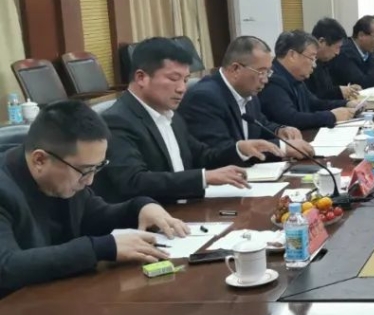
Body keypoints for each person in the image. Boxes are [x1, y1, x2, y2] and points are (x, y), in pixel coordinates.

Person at [0, 101, 189, 296]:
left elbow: (95, 216)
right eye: (85, 170)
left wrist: (140, 208)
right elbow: (6, 267)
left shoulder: (67, 174)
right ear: (40, 160)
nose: (89, 181)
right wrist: (99, 248)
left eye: (96, 168)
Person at [100, 38, 282, 204]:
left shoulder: (172, 116)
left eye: (185, 80)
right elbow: (134, 181)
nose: (182, 88)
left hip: (187, 210)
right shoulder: (116, 121)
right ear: (141, 78)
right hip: (152, 219)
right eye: (174, 79)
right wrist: (203, 178)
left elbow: (202, 156)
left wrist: (239, 149)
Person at [179, 36, 314, 158]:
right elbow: (221, 151)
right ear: (236, 69)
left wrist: (279, 130)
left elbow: (261, 124)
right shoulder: (204, 98)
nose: (265, 80)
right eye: (261, 72)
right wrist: (282, 147)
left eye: (268, 72)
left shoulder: (248, 92)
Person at [260, 30, 356, 130]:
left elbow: (315, 103)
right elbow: (290, 119)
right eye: (311, 58)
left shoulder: (296, 78)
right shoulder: (272, 81)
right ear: (292, 55)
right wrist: (331, 116)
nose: (314, 65)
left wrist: (346, 104)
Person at [306, 18, 362, 102]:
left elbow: (326, 90)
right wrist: (339, 92)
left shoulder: (323, 62)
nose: (337, 53)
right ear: (321, 42)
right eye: (337, 47)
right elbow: (314, 100)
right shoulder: (305, 65)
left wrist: (346, 90)